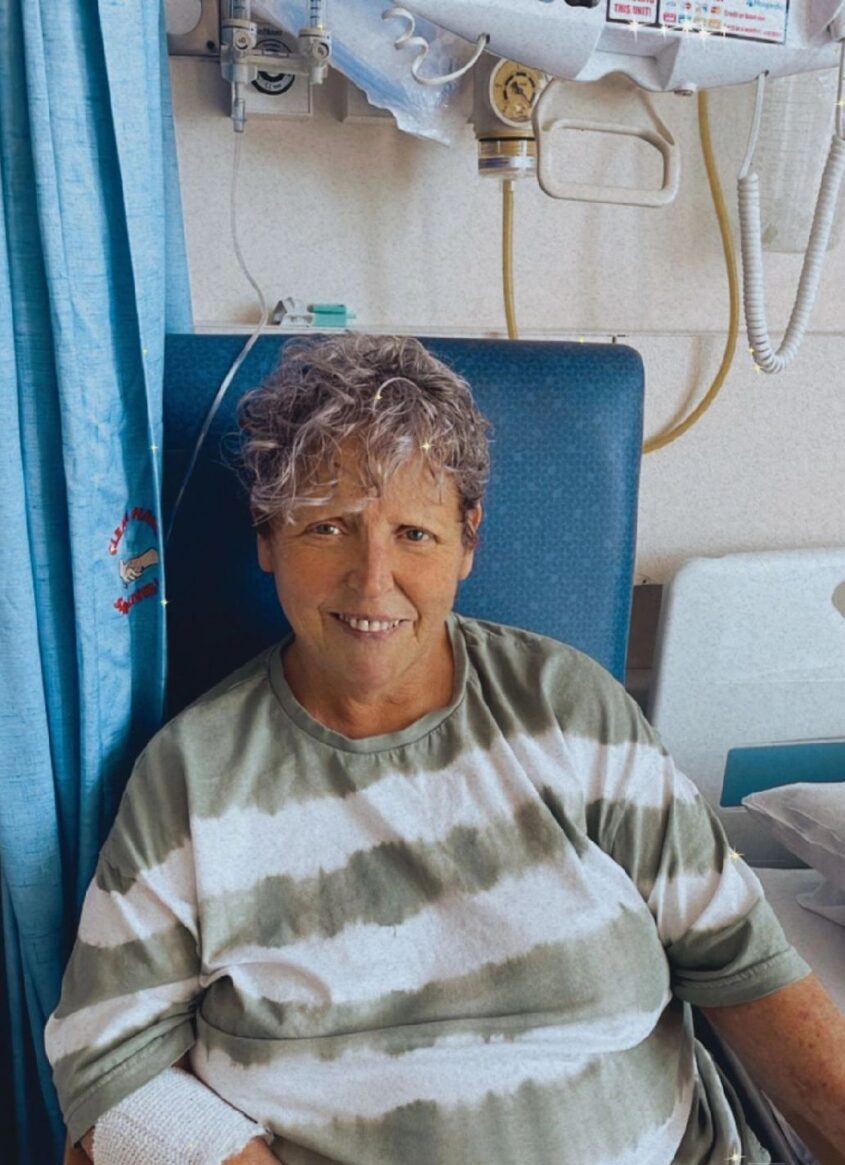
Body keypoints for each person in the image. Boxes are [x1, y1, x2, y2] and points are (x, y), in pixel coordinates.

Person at [46, 334, 845, 1165]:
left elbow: (742, 962)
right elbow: (108, 1066)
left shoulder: (567, 708)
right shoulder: (193, 776)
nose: (371, 579)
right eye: (327, 526)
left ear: (468, 541)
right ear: (267, 536)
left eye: (415, 534)